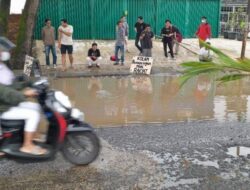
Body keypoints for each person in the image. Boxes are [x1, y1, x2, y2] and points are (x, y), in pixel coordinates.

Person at [0, 37, 47, 155]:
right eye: (4, 50)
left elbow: (12, 83)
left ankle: (32, 134)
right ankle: (27, 146)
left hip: (9, 103)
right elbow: (5, 92)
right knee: (33, 114)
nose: (7, 53)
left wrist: (30, 83)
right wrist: (24, 93)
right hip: (4, 107)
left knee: (37, 107)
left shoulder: (3, 66)